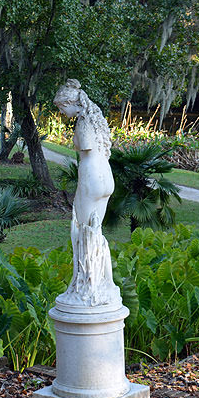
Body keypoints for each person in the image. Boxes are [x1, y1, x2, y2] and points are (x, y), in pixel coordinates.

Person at [53, 79, 121, 308]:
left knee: (81, 231)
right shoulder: (97, 120)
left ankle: (85, 286)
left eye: (62, 108)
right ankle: (101, 282)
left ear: (71, 103)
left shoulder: (83, 123)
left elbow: (86, 147)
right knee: (95, 232)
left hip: (91, 177)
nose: (62, 114)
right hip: (106, 178)